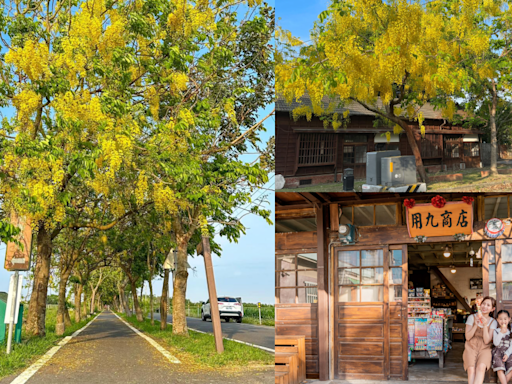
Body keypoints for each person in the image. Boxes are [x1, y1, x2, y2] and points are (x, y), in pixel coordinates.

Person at [464, 296, 498, 384]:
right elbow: (467, 337)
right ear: (480, 305)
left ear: (492, 309)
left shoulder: (493, 322)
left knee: (481, 367)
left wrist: (486, 325)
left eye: (488, 305)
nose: (485, 307)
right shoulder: (471, 317)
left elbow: (487, 341)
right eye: (483, 304)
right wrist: (475, 324)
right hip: (470, 346)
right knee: (471, 369)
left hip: (484, 348)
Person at [493, 310, 512, 384]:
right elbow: (496, 343)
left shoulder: (510, 331)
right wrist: (501, 333)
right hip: (498, 352)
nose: (503, 321)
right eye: (500, 319)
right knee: (500, 369)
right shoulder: (496, 331)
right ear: (497, 320)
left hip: (509, 352)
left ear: (509, 319)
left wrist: (507, 354)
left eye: (505, 319)